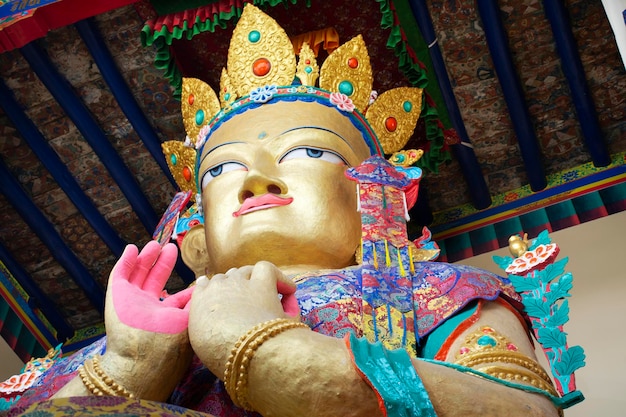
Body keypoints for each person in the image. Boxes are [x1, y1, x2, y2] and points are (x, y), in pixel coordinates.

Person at [4, 5, 567, 416]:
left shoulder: (444, 293)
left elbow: (525, 412)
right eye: (220, 170)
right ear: (195, 226)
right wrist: (124, 369)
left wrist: (266, 349)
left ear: (377, 200)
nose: (254, 180)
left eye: (308, 151)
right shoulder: (120, 344)